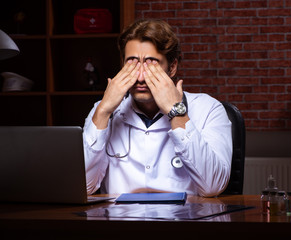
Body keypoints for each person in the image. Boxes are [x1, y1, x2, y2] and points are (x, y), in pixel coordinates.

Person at [83, 19, 232, 197]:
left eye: (151, 63)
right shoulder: (102, 111)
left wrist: (177, 112)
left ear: (172, 67)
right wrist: (103, 112)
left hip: (185, 221)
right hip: (121, 222)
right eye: (132, 63)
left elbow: (213, 186)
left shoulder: (208, 109)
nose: (140, 77)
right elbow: (85, 187)